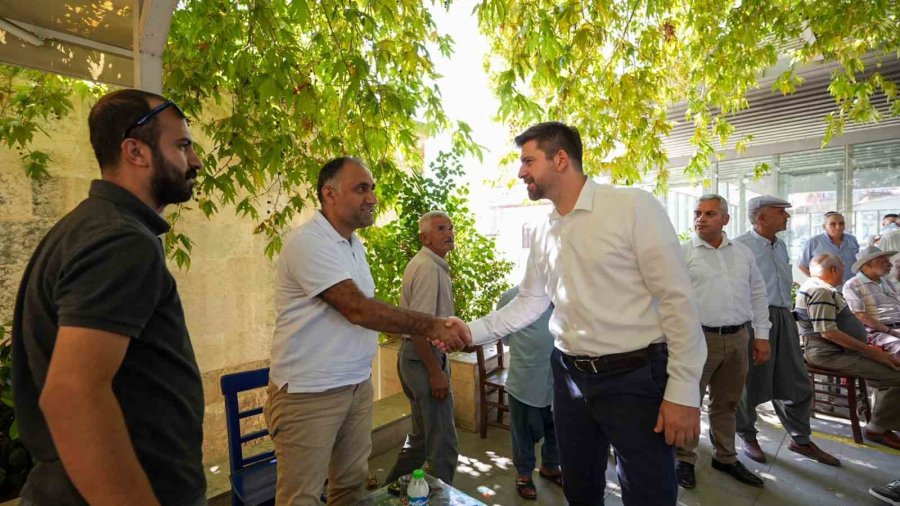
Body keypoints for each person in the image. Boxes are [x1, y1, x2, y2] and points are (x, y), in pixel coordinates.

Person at [448, 122, 707, 506]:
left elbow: (677, 300)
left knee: (649, 492)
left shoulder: (633, 207)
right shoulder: (543, 231)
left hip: (635, 378)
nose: (521, 172)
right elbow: (529, 302)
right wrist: (470, 331)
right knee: (580, 488)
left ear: (561, 159)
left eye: (528, 161)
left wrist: (684, 391)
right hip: (568, 378)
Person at [11, 89, 206, 505]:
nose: (196, 161)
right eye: (183, 145)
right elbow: (73, 394)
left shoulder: (90, 228)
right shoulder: (119, 240)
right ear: (136, 151)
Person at [263, 157, 470, 506]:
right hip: (310, 394)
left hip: (356, 387)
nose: (372, 198)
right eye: (361, 188)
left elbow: (367, 304)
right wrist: (433, 325)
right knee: (301, 498)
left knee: (349, 488)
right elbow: (358, 309)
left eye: (372, 189)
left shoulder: (352, 244)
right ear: (329, 194)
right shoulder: (308, 242)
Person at [734, 195, 840, 467]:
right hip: (755, 318)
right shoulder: (740, 247)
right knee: (749, 381)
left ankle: (800, 438)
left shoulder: (780, 246)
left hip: (783, 316)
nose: (787, 216)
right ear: (761, 217)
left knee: (795, 379)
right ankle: (747, 435)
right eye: (780, 212)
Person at [675, 195, 770, 490]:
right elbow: (670, 300)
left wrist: (762, 336)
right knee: (689, 401)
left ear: (726, 219)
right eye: (697, 213)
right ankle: (684, 458)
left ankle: (726, 457)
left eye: (710, 213)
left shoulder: (742, 253)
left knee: (727, 403)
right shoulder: (683, 253)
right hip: (698, 339)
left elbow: (757, 294)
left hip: (738, 338)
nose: (701, 218)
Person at [795, 253, 900, 450]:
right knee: (897, 375)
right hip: (828, 354)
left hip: (838, 351)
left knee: (891, 368)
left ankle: (884, 420)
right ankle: (877, 429)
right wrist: (872, 352)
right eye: (842, 267)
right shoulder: (820, 291)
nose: (844, 272)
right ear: (834, 270)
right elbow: (828, 333)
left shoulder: (819, 288)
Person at [384, 211, 459, 485]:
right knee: (443, 446)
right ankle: (441, 498)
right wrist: (435, 372)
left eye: (450, 227)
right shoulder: (427, 268)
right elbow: (418, 326)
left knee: (421, 440)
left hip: (418, 358)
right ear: (424, 237)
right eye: (441, 229)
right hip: (423, 360)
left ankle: (386, 493)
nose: (449, 233)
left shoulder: (432, 264)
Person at [497, 286, 560, 500]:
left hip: (556, 381)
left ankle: (550, 467)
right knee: (523, 431)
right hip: (526, 381)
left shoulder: (562, 294)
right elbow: (504, 337)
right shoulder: (512, 298)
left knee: (555, 430)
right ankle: (523, 475)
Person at [842, 246, 900, 361]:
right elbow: (861, 316)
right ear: (867, 265)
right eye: (884, 261)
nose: (890, 265)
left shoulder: (887, 283)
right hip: (876, 332)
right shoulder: (852, 285)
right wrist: (891, 332)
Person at [798, 211, 859, 289]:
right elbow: (802, 265)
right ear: (824, 226)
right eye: (832, 224)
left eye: (841, 223)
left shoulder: (852, 240)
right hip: (826, 290)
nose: (838, 227)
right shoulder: (813, 242)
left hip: (851, 288)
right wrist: (819, 282)